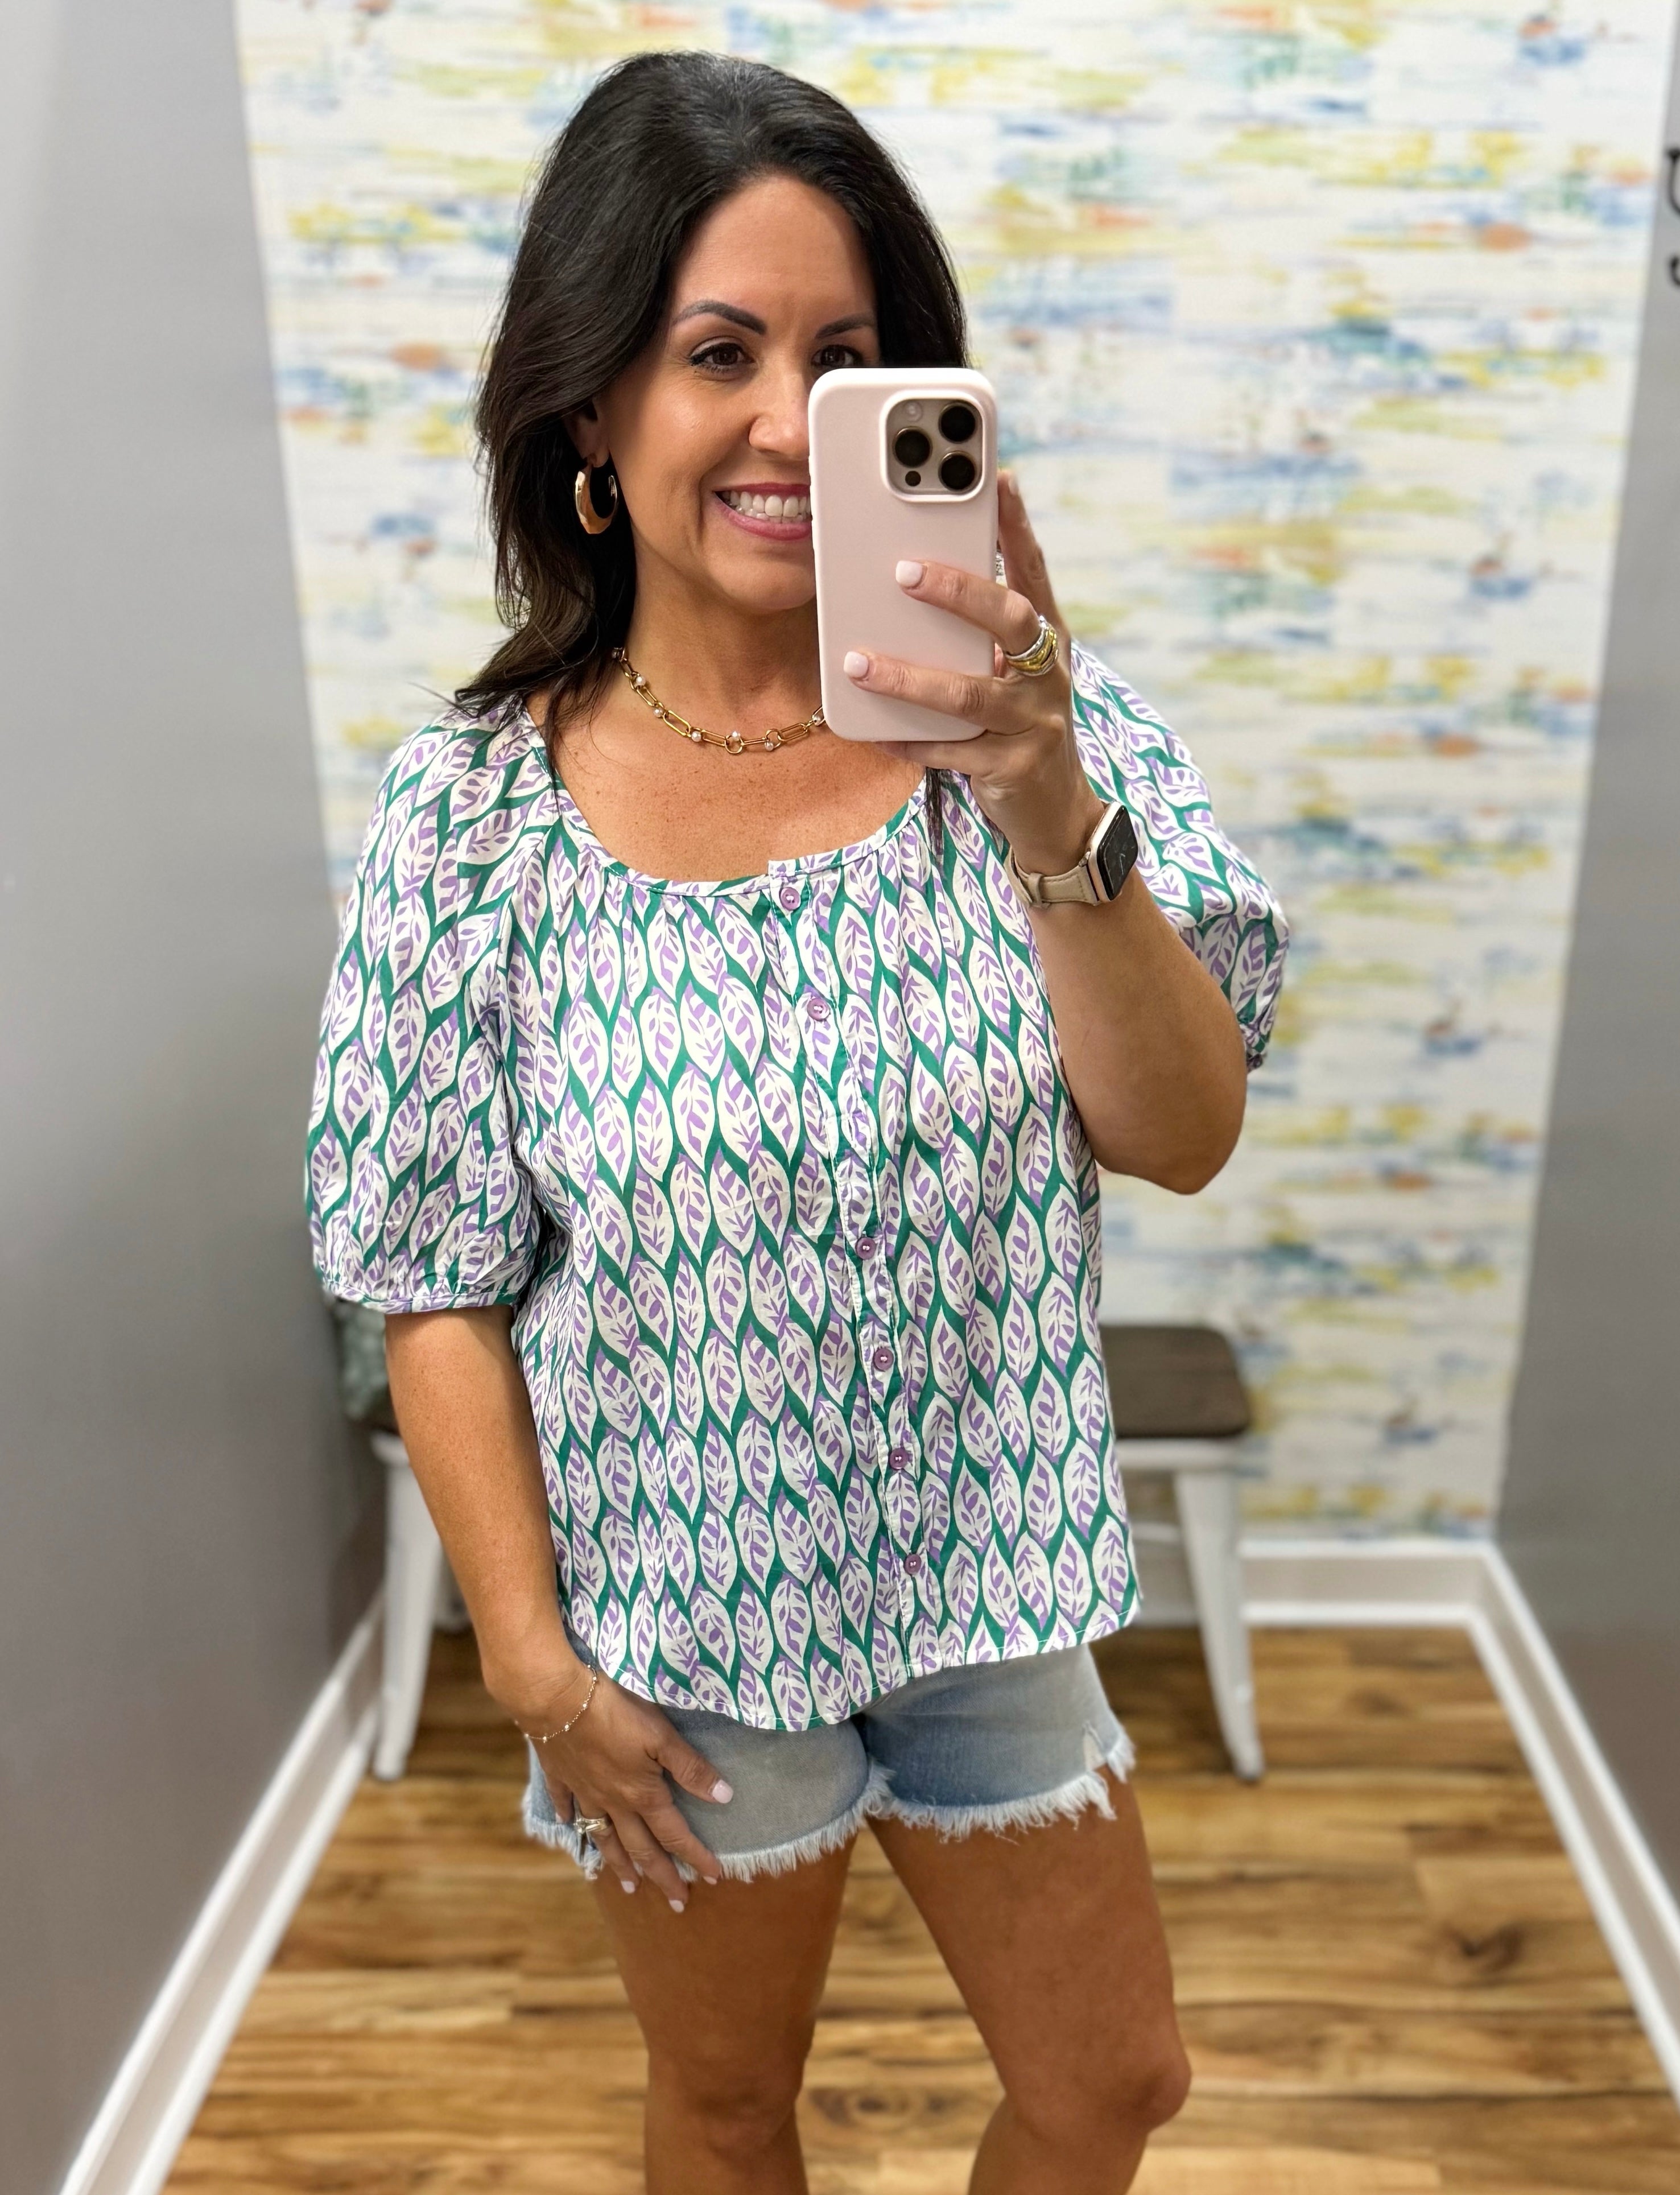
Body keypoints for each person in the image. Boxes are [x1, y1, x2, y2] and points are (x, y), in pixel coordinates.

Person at [306, 49, 1287, 2195]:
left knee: (1110, 2082)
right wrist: (539, 1668)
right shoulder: (471, 817)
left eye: (847, 363)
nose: (781, 423)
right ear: (592, 412)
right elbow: (429, 1280)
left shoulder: (1047, 727)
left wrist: (1037, 792)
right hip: (682, 1630)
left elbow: (1183, 1127)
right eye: (715, 352)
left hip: (989, 1577)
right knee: (733, 2104)